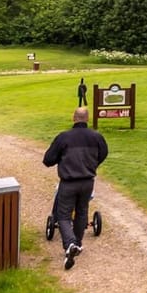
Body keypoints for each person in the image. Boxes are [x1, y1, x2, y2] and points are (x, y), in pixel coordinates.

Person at [42, 106, 109, 270]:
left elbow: (48, 159)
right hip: (87, 181)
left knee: (63, 215)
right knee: (82, 212)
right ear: (88, 119)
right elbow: (104, 153)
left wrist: (61, 160)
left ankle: (70, 243)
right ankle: (77, 244)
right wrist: (92, 164)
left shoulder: (64, 137)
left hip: (68, 182)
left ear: (74, 118)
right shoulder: (96, 137)